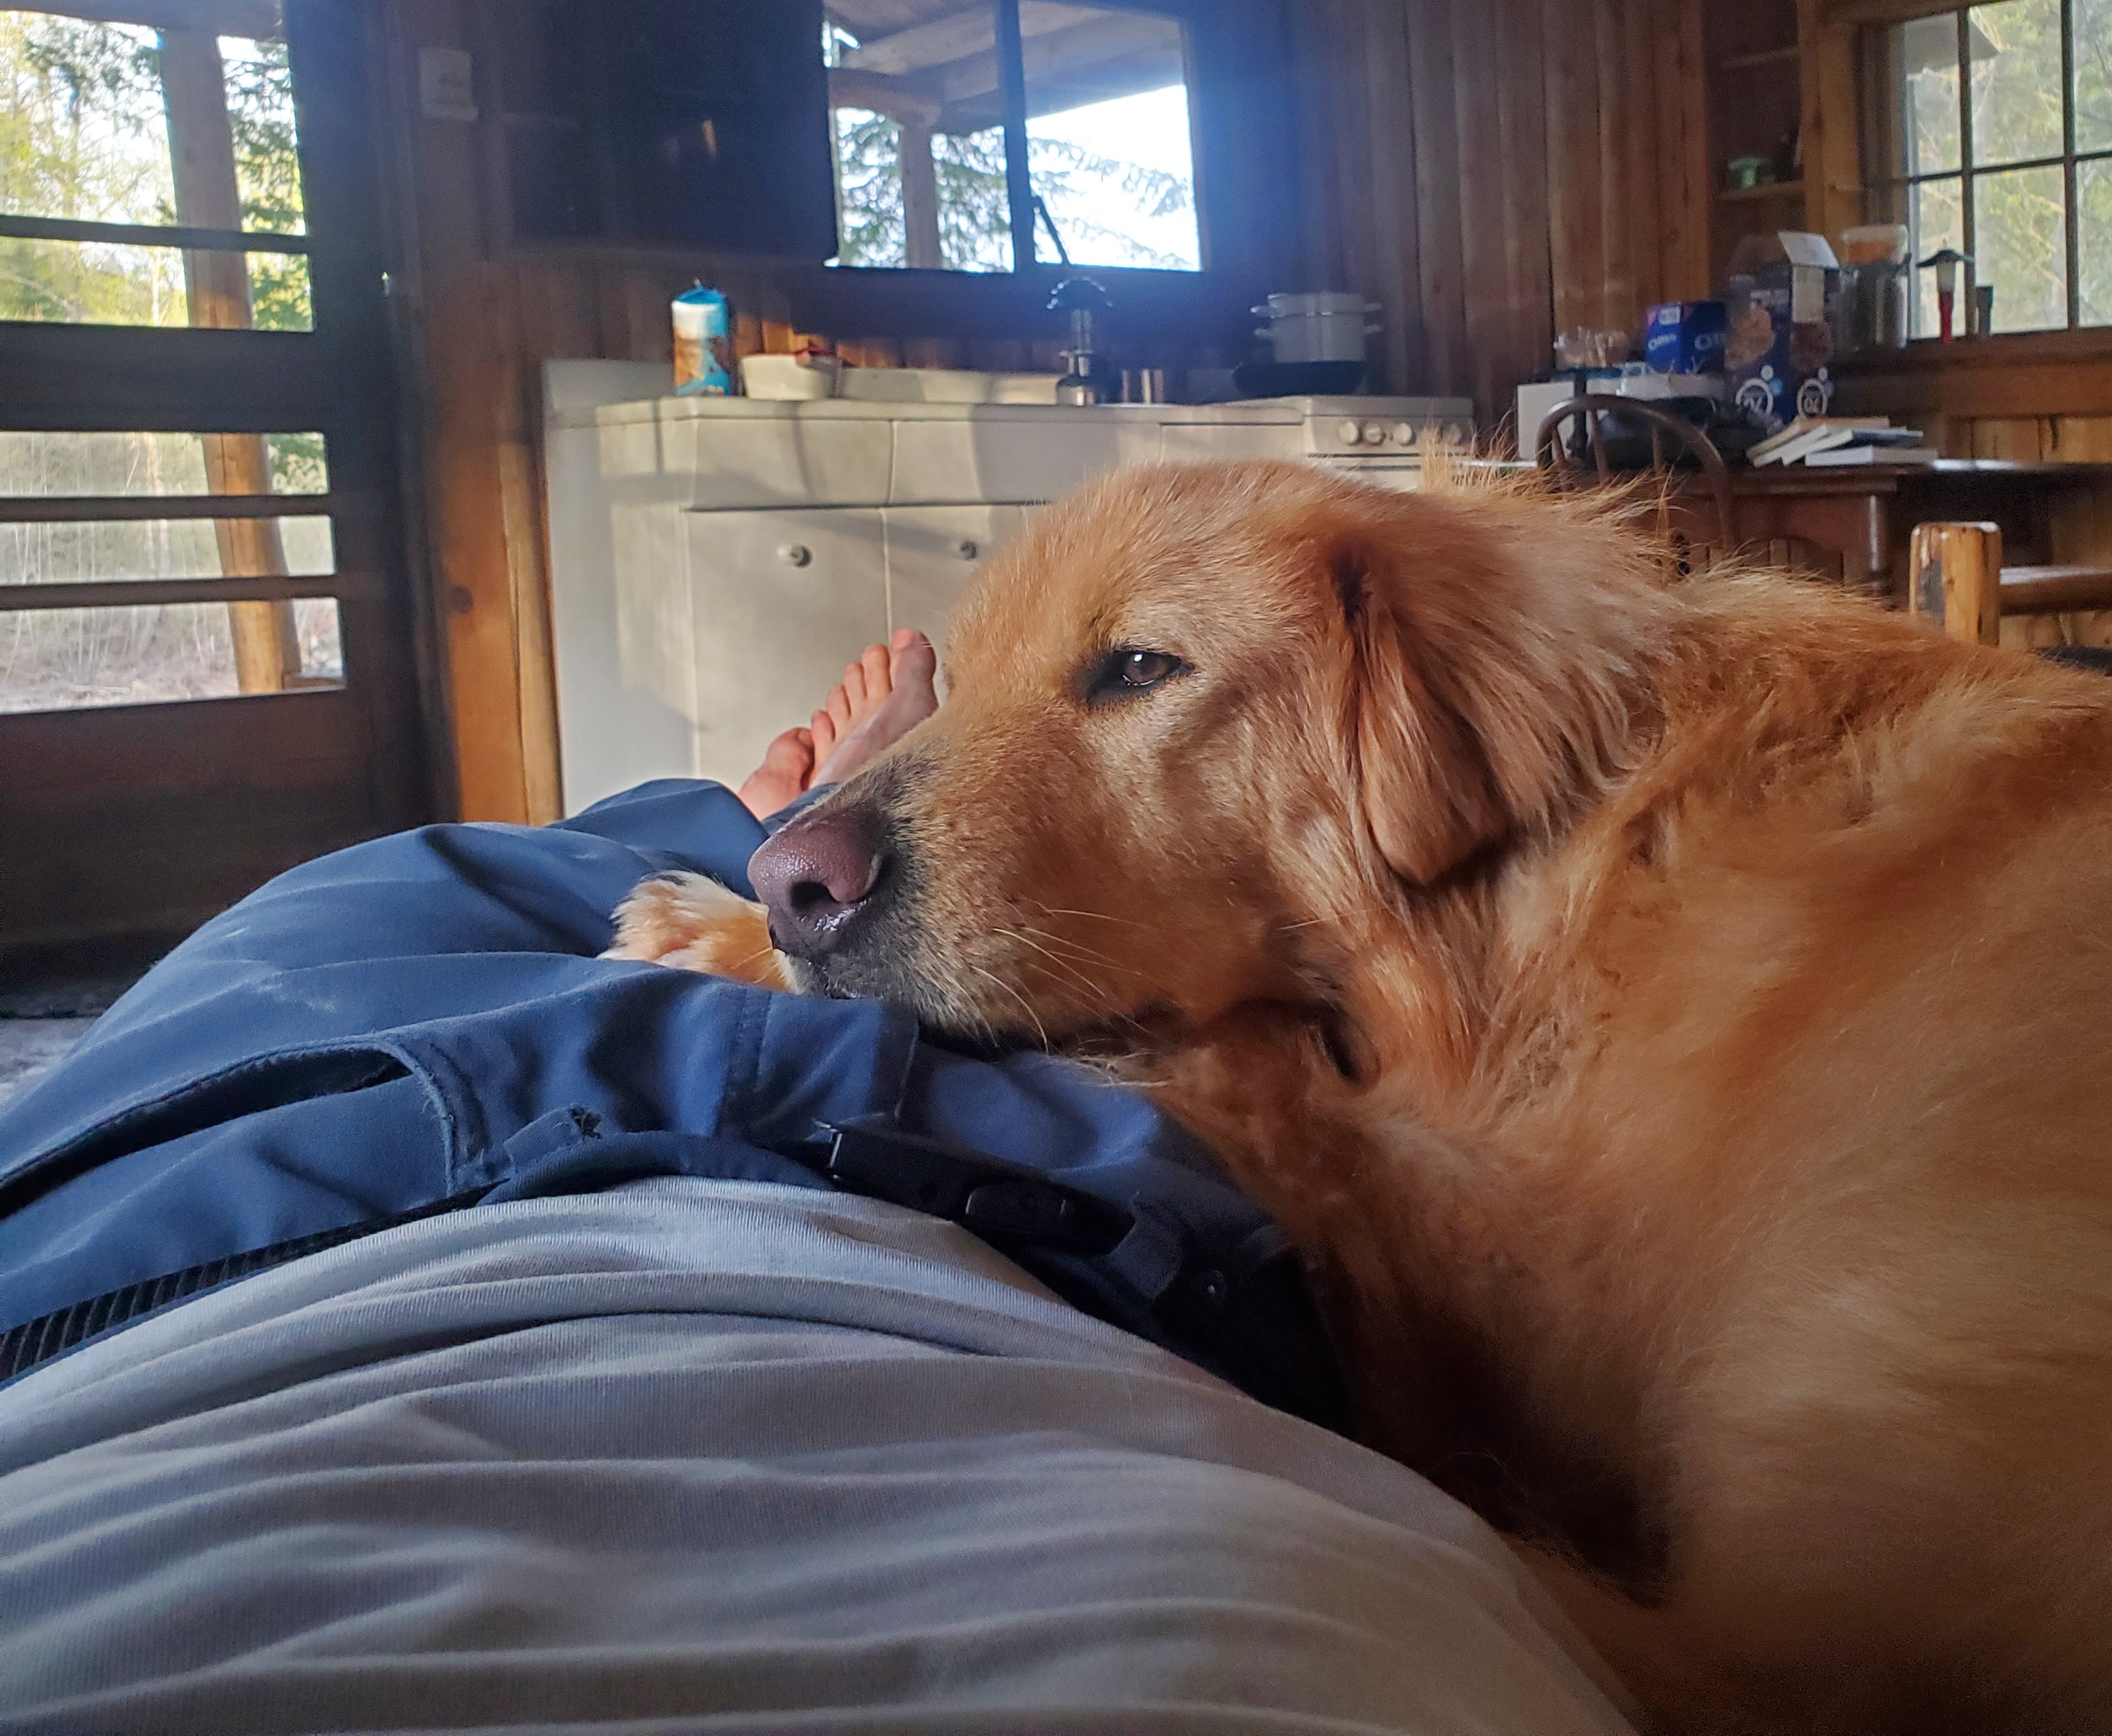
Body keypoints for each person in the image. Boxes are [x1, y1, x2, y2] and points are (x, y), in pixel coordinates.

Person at [0, 640, 1636, 1736]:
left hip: (183, 1243)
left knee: (384, 898)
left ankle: (764, 824)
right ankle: (782, 837)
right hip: (1013, 1216)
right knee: (511, 897)